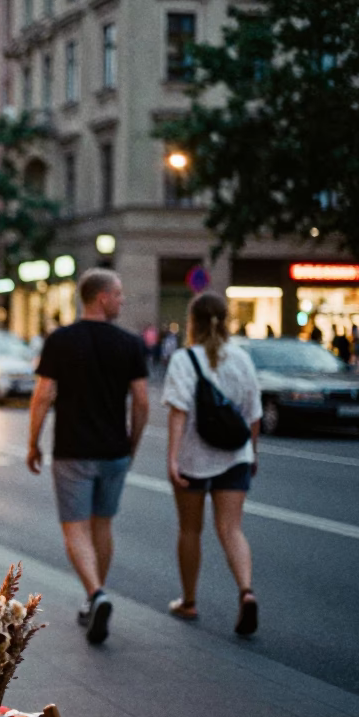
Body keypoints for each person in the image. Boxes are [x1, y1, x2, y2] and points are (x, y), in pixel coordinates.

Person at [26, 269, 149, 645]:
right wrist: (133, 443)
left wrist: (33, 442)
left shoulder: (61, 340)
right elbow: (142, 401)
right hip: (114, 451)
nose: (123, 300)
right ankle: (94, 595)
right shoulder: (130, 344)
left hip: (73, 450)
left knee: (75, 529)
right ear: (101, 298)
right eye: (119, 294)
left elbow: (44, 394)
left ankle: (96, 594)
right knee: (103, 526)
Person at [163, 292, 261, 636]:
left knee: (191, 530)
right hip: (235, 455)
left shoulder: (184, 359)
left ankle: (188, 602)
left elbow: (178, 412)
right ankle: (246, 591)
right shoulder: (242, 359)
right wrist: (253, 453)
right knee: (232, 529)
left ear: (193, 323)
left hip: (194, 458)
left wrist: (172, 458)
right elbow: (253, 415)